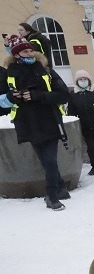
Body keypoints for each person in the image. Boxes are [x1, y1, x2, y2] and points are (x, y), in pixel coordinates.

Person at [1, 35, 69, 210]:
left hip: (50, 122)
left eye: (31, 50)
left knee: (50, 161)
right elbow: (2, 101)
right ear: (16, 55)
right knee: (47, 162)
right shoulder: (8, 74)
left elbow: (63, 95)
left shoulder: (46, 70)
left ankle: (52, 196)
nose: (30, 53)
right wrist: (11, 97)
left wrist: (38, 95)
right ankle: (60, 186)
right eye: (25, 50)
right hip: (27, 124)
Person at [67, 70, 94, 176]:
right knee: (91, 147)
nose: (83, 81)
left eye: (85, 79)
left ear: (89, 80)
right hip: (85, 126)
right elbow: (71, 112)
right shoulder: (73, 95)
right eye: (80, 79)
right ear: (77, 81)